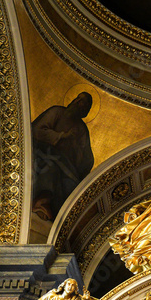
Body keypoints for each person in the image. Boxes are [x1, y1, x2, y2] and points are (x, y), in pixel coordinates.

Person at [31, 92, 94, 221]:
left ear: (85, 111)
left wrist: (75, 148)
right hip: (41, 153)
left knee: (71, 185)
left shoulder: (81, 129)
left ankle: (58, 217)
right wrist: (61, 136)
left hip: (64, 163)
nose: (78, 103)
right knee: (51, 169)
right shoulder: (57, 112)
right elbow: (36, 130)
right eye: (78, 99)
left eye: (83, 103)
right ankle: (41, 203)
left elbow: (87, 159)